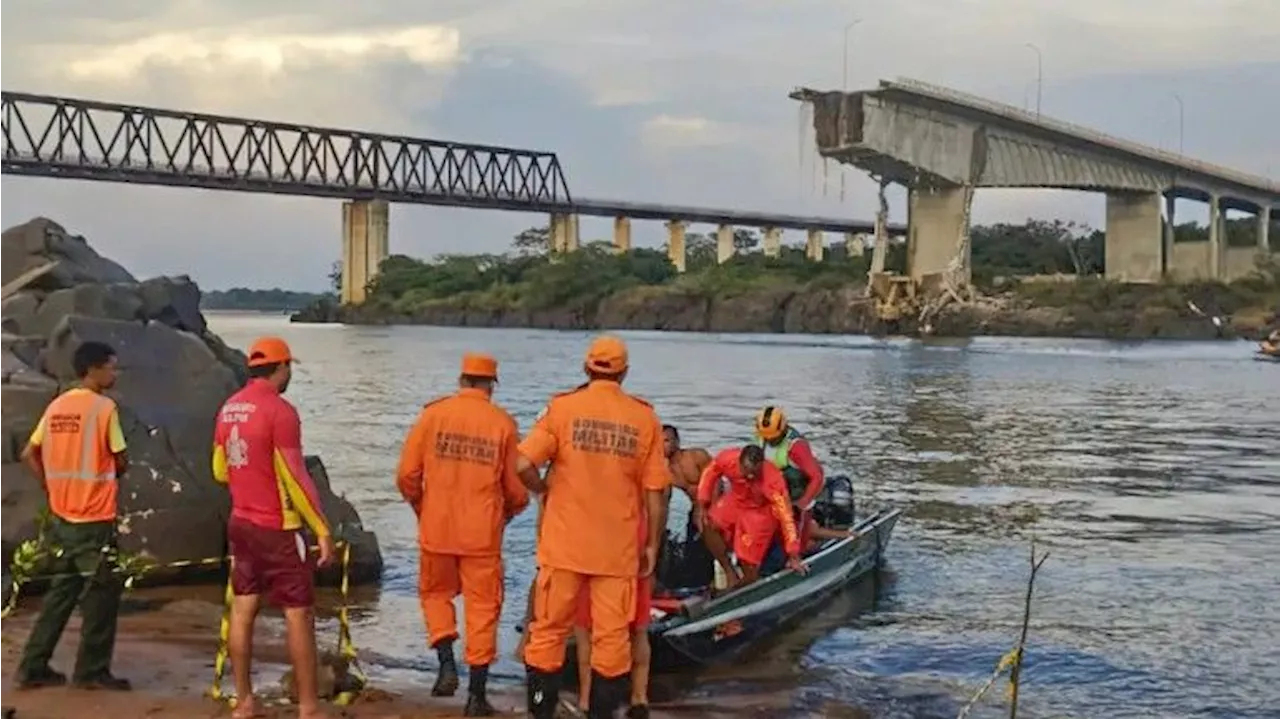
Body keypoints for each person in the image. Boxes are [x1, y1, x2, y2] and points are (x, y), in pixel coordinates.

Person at [516, 335, 672, 719]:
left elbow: (521, 465)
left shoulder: (562, 408)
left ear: (586, 368)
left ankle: (540, 712)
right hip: (616, 552)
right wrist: (651, 545)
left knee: (548, 632)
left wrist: (543, 490)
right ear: (624, 373)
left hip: (563, 546)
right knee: (612, 641)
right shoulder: (644, 417)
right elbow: (656, 491)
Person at [395, 352, 529, 716]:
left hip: (436, 528)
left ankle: (446, 665)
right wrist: (511, 511)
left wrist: (423, 507)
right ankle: (476, 696)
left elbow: (406, 475)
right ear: (491, 385)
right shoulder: (502, 423)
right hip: (481, 535)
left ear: (462, 380)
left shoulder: (432, 415)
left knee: (435, 594)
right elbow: (516, 489)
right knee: (483, 609)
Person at [212, 337, 336, 719]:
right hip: (277, 526)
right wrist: (322, 530)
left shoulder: (229, 408)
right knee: (298, 613)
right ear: (281, 369)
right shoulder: (280, 411)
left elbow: (219, 470)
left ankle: (245, 700)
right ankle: (309, 707)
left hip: (241, 521)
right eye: (288, 368)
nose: (289, 374)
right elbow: (296, 477)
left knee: (244, 608)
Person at [14, 341, 131, 692]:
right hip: (94, 516)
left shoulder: (57, 406)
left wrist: (51, 486)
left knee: (61, 593)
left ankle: (33, 665)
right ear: (93, 369)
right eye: (112, 366)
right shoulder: (104, 409)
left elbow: (27, 453)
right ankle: (91, 671)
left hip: (63, 515)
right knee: (102, 594)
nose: (115, 373)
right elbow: (120, 458)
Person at [571, 504, 652, 718]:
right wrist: (653, 544)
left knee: (586, 631)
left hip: (591, 540)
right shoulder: (640, 471)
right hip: (633, 533)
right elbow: (656, 500)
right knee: (638, 628)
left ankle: (587, 699)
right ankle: (639, 698)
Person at [695, 445, 806, 590]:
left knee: (747, 559)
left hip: (760, 510)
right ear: (739, 462)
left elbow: (786, 516)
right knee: (708, 523)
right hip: (736, 500)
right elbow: (711, 472)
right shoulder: (727, 459)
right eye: (746, 471)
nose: (750, 477)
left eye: (755, 473)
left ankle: (747, 584)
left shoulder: (772, 480)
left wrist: (793, 553)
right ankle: (729, 571)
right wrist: (703, 502)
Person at [753, 406, 824, 546]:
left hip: (798, 493)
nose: (770, 441)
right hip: (775, 494)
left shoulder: (796, 447)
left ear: (783, 429)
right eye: (767, 438)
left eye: (773, 438)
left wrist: (802, 504)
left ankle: (808, 541)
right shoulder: (761, 438)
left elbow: (816, 478)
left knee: (796, 541)